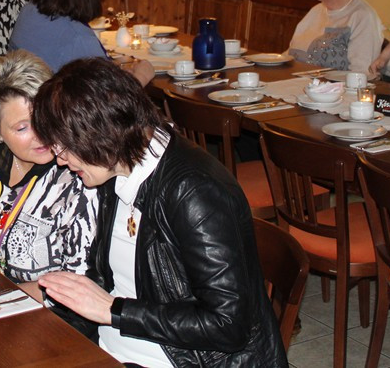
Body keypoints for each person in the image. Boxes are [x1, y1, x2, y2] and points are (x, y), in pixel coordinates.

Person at [33, 58, 287, 367]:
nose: (60, 160)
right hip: (112, 347)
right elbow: (102, 278)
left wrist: (114, 311)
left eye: (65, 148)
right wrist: (49, 323)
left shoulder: (194, 192)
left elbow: (228, 324)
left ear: (101, 134)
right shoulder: (114, 169)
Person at [0, 50, 98, 300]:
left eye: (43, 117)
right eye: (22, 127)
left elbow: (78, 282)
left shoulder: (79, 169)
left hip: (37, 310)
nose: (40, 134)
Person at [9, 0, 155, 85]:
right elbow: (110, 99)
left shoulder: (28, 11)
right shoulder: (78, 38)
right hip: (55, 102)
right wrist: (141, 77)